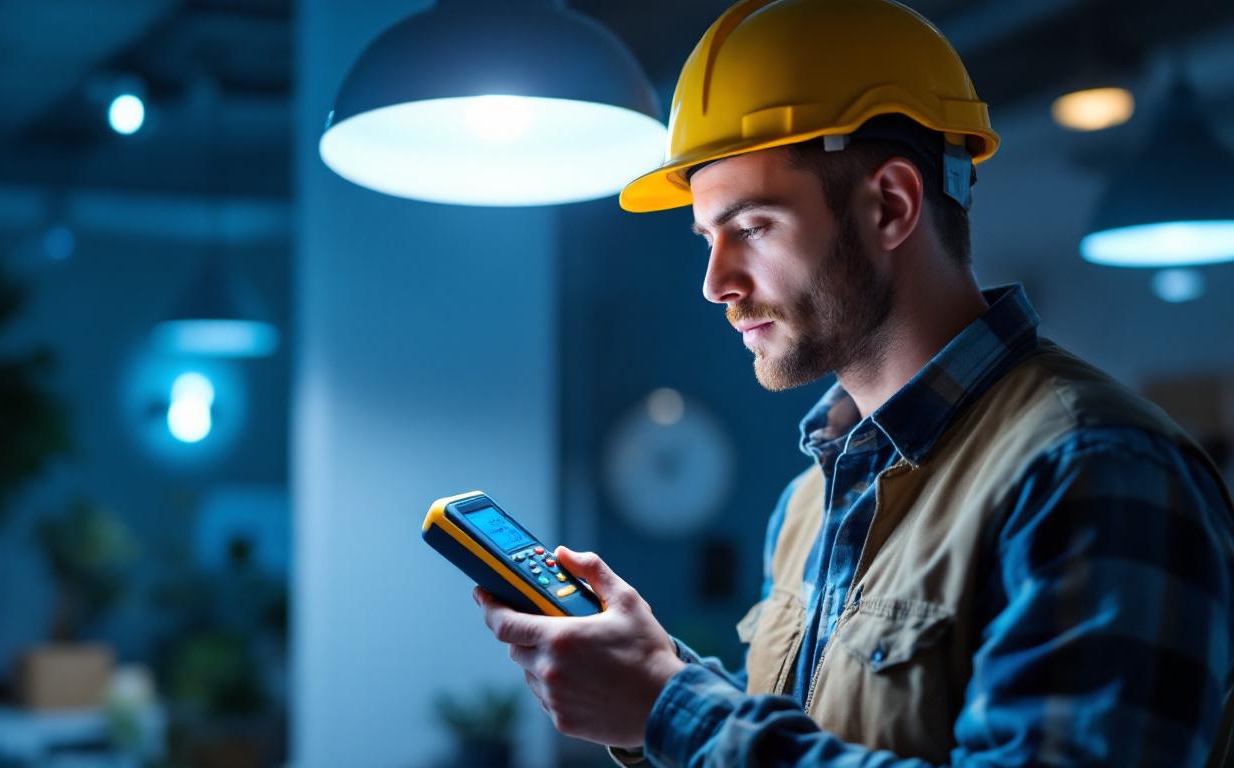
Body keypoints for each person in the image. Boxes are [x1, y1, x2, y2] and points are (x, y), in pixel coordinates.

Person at [474, 0, 1234, 765]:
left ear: (890, 205)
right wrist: (653, 685)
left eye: (753, 228)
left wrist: (669, 708)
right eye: (708, 237)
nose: (715, 283)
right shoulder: (810, 502)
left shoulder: (1094, 470)